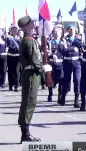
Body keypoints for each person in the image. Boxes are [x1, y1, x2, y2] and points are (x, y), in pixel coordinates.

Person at [17, 15, 51, 143]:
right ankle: (25, 134)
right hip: (32, 74)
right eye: (31, 23)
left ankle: (25, 132)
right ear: (26, 26)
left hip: (31, 72)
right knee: (29, 102)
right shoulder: (29, 41)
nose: (34, 24)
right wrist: (43, 69)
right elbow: (35, 59)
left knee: (28, 102)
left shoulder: (29, 39)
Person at [59, 25, 82, 107]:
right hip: (67, 62)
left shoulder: (78, 40)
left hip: (76, 62)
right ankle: (63, 98)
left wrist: (68, 48)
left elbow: (81, 47)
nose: (72, 30)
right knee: (66, 81)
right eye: (70, 29)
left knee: (77, 80)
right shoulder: (64, 39)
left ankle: (76, 100)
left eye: (73, 29)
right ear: (67, 30)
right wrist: (72, 49)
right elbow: (62, 50)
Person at [48, 24, 64, 103]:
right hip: (52, 64)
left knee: (61, 79)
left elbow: (65, 51)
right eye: (55, 32)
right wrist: (52, 54)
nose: (57, 33)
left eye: (59, 32)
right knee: (51, 80)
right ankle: (50, 94)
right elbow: (47, 52)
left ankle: (60, 96)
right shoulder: (50, 42)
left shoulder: (63, 41)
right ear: (53, 33)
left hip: (61, 64)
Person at [6, 24, 21, 92]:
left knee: (16, 71)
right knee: (10, 71)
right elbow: (8, 45)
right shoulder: (8, 38)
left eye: (15, 30)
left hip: (17, 57)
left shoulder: (19, 38)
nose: (14, 31)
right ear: (11, 31)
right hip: (10, 56)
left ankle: (16, 85)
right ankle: (10, 85)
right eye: (13, 30)